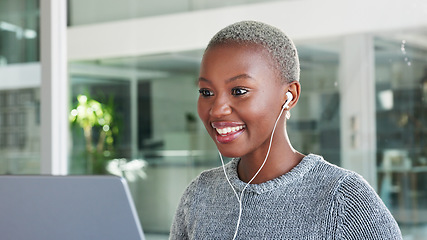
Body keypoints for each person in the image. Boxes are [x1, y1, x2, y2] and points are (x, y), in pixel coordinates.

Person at [170, 20, 402, 239]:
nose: (217, 110)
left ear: (289, 95)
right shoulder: (200, 194)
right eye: (206, 92)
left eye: (239, 91)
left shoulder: (344, 198)